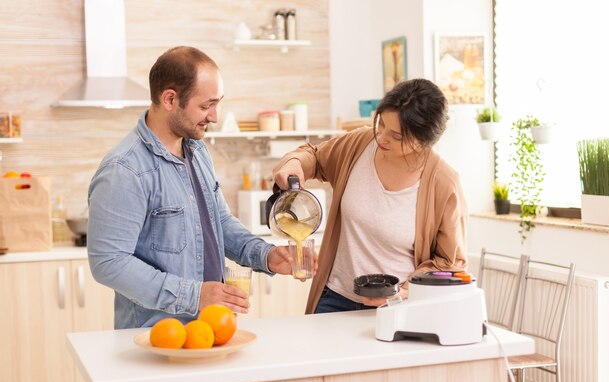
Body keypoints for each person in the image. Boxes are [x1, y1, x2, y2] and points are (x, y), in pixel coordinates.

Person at [88, 46, 298, 329]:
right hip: (158, 337)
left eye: (217, 103)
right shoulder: (125, 169)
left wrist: (266, 256)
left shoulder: (196, 150)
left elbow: (218, 221)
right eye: (206, 105)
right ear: (170, 99)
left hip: (213, 328)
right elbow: (109, 263)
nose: (214, 116)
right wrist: (195, 295)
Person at [273, 78, 468, 314]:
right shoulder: (360, 144)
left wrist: (404, 291)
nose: (382, 137)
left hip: (397, 307)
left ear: (423, 141)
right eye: (382, 124)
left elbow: (449, 263)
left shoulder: (444, 184)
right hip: (334, 296)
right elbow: (313, 156)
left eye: (397, 136)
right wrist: (294, 163)